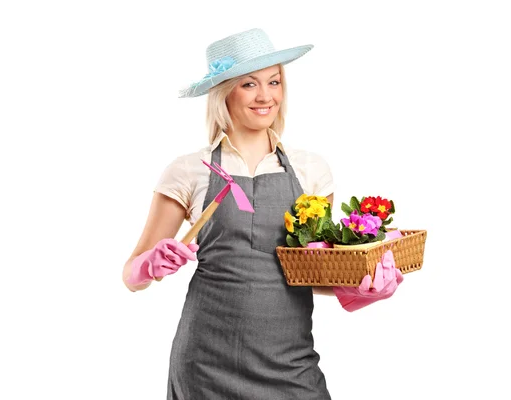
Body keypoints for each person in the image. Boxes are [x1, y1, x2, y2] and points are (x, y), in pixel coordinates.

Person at [122, 28, 403, 400]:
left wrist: (358, 286)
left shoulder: (310, 170)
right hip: (205, 364)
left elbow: (307, 273)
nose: (266, 95)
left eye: (274, 81)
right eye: (250, 84)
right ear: (225, 92)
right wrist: (150, 265)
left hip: (290, 364)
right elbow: (131, 277)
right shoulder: (188, 169)